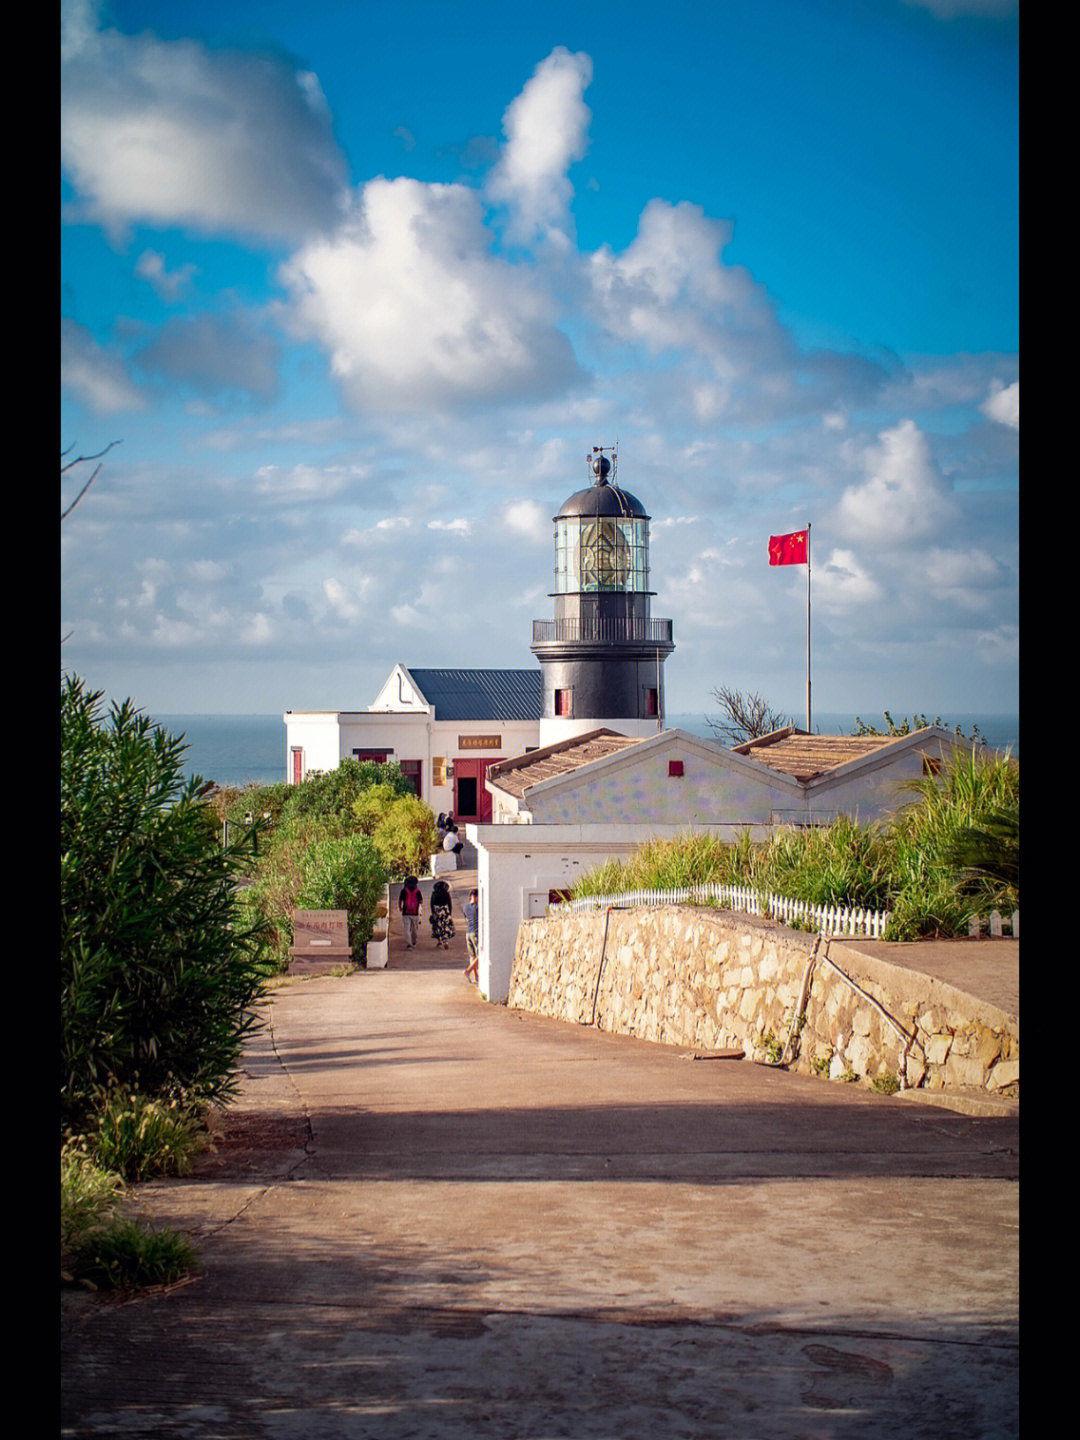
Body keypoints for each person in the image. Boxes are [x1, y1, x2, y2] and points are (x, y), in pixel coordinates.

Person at [398, 875, 423, 949]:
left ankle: (409, 944)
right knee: (414, 928)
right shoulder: (417, 891)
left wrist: (400, 908)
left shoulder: (403, 891)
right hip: (415, 913)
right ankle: (414, 941)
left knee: (407, 928)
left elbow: (400, 900)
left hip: (405, 912)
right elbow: (421, 901)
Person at [430, 879, 454, 950]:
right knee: (445, 926)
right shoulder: (447, 894)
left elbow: (432, 904)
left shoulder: (434, 894)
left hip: (437, 911)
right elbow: (450, 904)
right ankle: (445, 940)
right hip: (445, 911)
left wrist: (433, 913)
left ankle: (439, 941)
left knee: (437, 926)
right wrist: (450, 913)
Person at [463, 888, 479, 984]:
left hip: (468, 932)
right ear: (477, 897)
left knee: (472, 956)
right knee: (480, 954)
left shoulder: (466, 907)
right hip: (476, 932)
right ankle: (468, 971)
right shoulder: (478, 907)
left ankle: (476, 976)